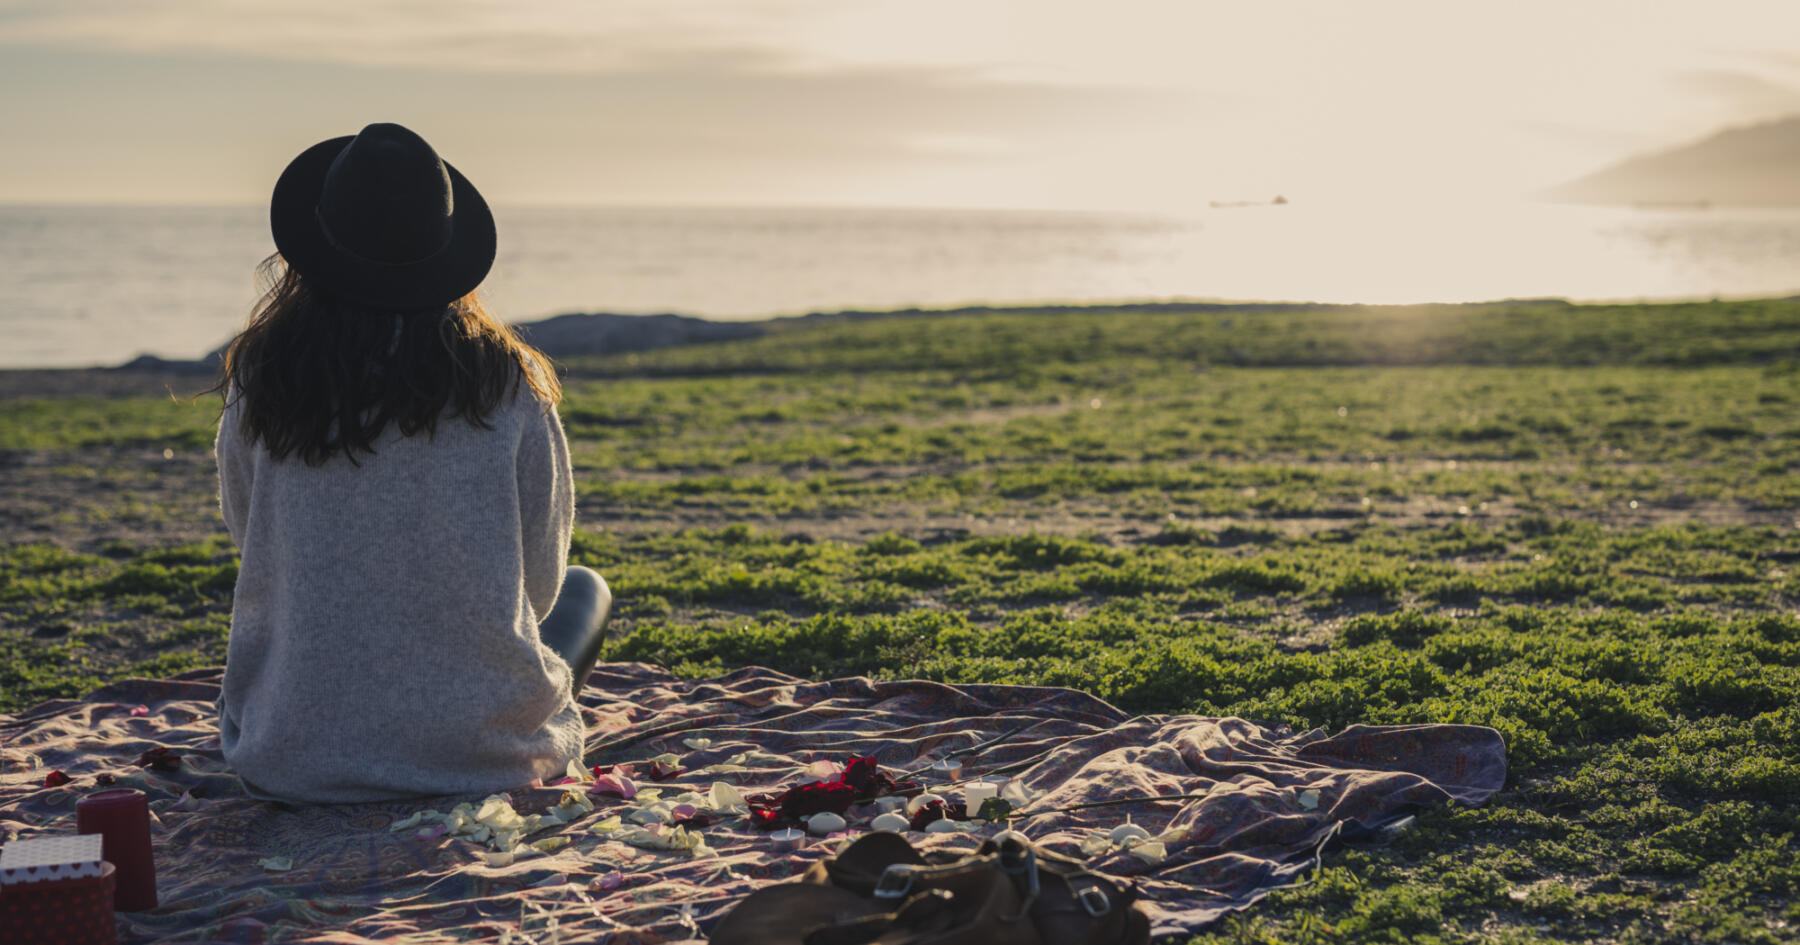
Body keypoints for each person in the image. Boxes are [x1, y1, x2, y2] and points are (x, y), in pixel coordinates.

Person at [207, 123, 610, 803]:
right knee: (583, 586)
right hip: (482, 754)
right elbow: (537, 588)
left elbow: (255, 545)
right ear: (443, 254)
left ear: (311, 251)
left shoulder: (265, 384)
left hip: (294, 757)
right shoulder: (509, 385)